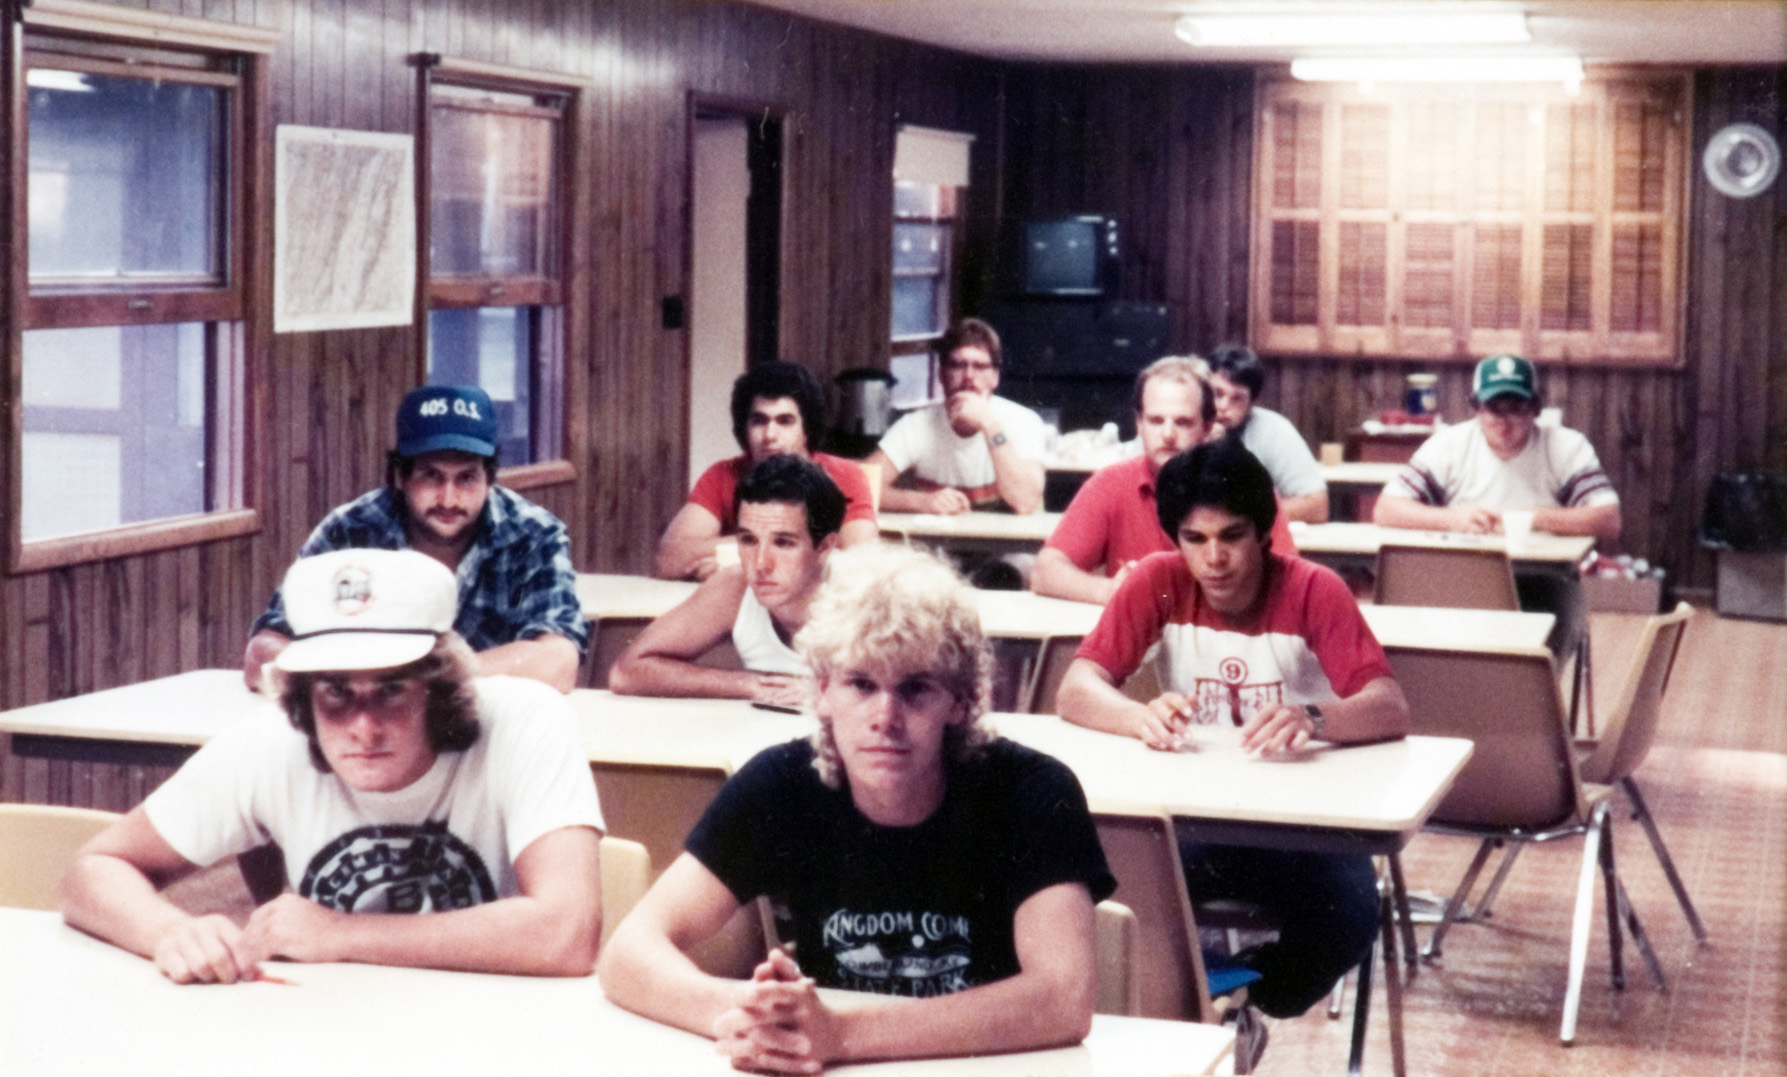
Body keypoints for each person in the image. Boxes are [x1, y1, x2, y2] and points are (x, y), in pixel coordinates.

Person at [599, 543, 1114, 1073]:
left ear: (960, 702)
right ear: (822, 690)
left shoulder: (1032, 791)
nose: (885, 717)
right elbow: (628, 952)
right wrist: (745, 1016)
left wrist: (843, 1035)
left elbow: (1062, 999)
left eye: (915, 689)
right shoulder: (780, 785)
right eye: (861, 684)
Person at [62, 549, 606, 985]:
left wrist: (341, 933)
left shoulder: (525, 720)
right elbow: (92, 869)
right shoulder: (272, 740)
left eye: (391, 690)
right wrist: (170, 934)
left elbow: (566, 932)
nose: (363, 727)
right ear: (302, 697)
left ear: (438, 688)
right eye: (336, 693)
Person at [1056, 440, 1409, 1019]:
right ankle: (1189, 1004)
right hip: (1195, 820)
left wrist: (1315, 717)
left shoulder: (1313, 588)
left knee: (1351, 915)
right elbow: (1076, 688)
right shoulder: (1159, 581)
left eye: (1231, 536)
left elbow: (1390, 705)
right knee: (1109, 890)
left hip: (1302, 826)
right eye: (1194, 540)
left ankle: (1247, 997)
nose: (1213, 559)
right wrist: (1136, 715)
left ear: (1264, 533)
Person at [243, 385, 587, 694]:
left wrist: (422, 683)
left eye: (466, 478)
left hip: (490, 728)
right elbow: (265, 649)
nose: (449, 499)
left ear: (490, 478)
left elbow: (558, 661)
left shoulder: (534, 534)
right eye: (431, 476)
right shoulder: (350, 530)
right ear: (401, 477)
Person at [1033, 356, 1298, 605]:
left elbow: (1288, 582)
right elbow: (1045, 571)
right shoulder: (1110, 483)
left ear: (1207, 427)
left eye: (1182, 422)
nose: (1168, 434)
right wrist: (1109, 590)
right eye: (1156, 420)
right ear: (1138, 424)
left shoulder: (1249, 485)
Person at [612, 455, 843, 706]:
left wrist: (826, 693)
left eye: (783, 543)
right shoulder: (735, 587)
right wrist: (749, 684)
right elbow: (626, 672)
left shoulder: (865, 593)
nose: (760, 564)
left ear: (825, 547)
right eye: (748, 540)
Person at [657, 361, 879, 581]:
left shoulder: (844, 475)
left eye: (785, 421)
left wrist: (738, 559)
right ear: (744, 427)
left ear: (807, 430)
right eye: (759, 421)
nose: (769, 435)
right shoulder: (722, 474)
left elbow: (863, 563)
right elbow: (669, 558)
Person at [1372, 354, 1621, 543]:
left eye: (1515, 408)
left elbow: (1609, 520)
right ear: (1477, 407)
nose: (1504, 421)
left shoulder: (1567, 446)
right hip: (1463, 570)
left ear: (1535, 409)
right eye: (1494, 408)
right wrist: (1454, 519)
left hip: (1546, 578)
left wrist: (1531, 519)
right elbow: (1386, 510)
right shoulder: (1449, 444)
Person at [866, 318, 1048, 516]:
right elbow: (861, 485)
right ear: (942, 375)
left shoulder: (1025, 421)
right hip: (938, 543)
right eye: (958, 365)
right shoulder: (916, 426)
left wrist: (988, 423)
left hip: (1010, 546)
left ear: (995, 377)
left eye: (980, 366)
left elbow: (1025, 502)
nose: (969, 376)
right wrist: (921, 501)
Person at [1207, 344, 1329, 524]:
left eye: (1237, 398)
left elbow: (1317, 507)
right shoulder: (1180, 423)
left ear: (1252, 403)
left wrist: (1235, 520)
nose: (1223, 406)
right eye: (1217, 394)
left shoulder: (1273, 430)